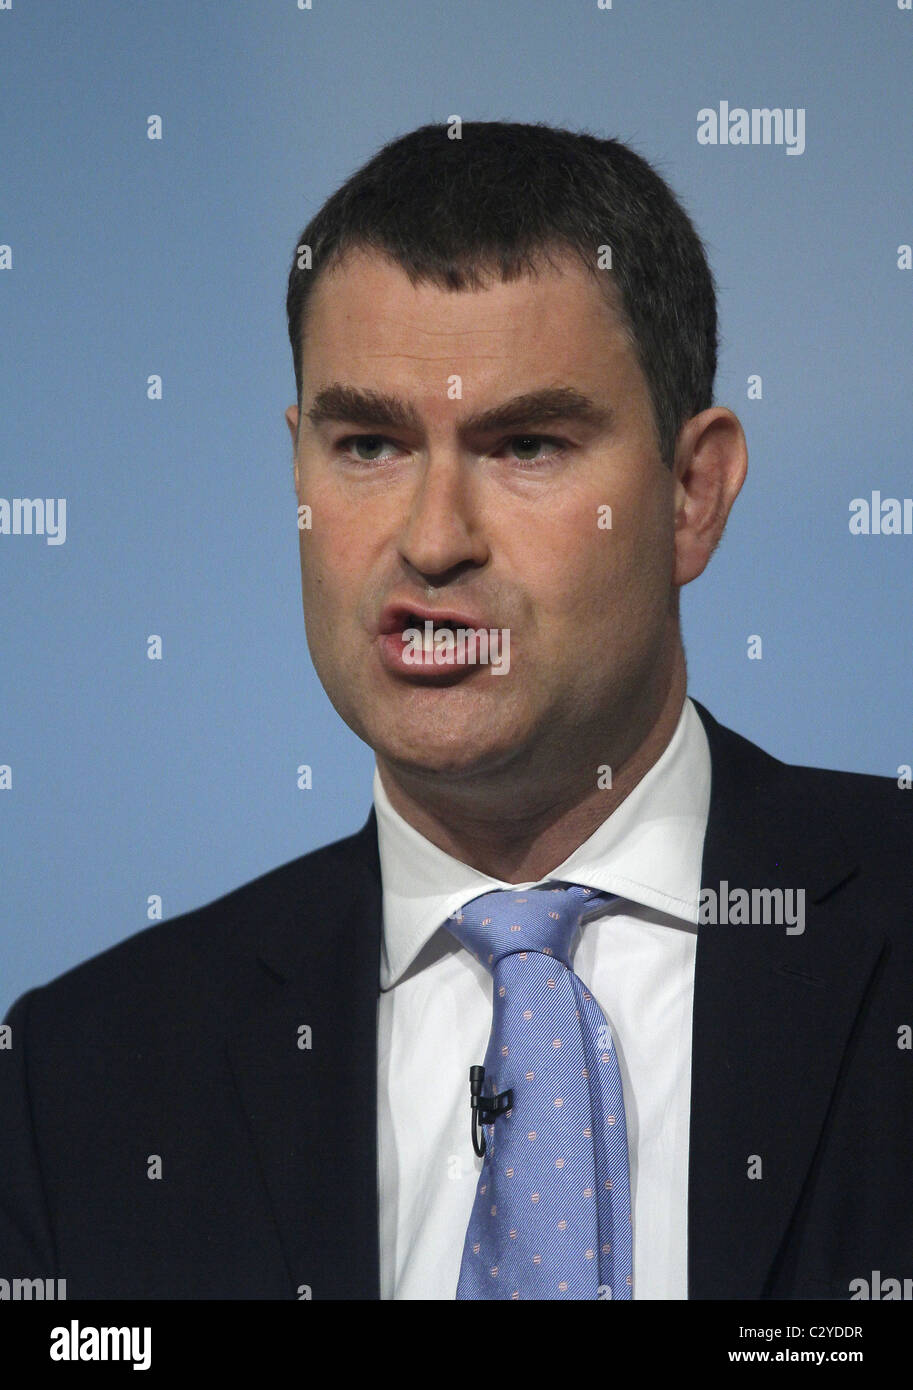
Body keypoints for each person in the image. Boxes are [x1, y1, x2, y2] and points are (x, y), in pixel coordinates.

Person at [1, 121, 910, 1302]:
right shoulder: (84, 1080)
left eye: (525, 443)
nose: (432, 540)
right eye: (368, 444)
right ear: (298, 474)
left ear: (691, 495)